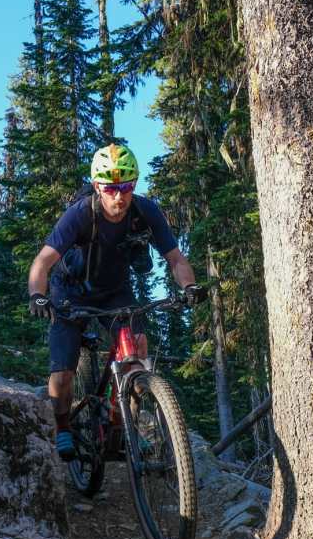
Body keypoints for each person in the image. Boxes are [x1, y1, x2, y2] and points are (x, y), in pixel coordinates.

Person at [26, 143, 207, 461]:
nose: (118, 196)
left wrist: (189, 286)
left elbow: (176, 259)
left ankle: (121, 429)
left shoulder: (145, 211)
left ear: (134, 185)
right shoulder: (81, 214)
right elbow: (42, 262)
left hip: (115, 292)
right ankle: (64, 427)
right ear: (98, 186)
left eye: (126, 187)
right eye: (110, 188)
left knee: (136, 352)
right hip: (70, 291)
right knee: (63, 371)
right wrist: (38, 296)